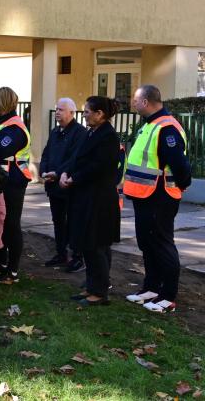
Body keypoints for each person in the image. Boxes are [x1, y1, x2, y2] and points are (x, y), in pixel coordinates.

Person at [124, 85, 192, 313]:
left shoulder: (167, 127)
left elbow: (180, 165)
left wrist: (181, 185)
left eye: (135, 99)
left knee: (162, 243)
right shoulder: (150, 125)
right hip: (144, 195)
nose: (132, 103)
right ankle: (151, 288)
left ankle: (168, 296)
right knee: (147, 242)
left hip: (160, 196)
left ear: (145, 102)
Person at [60, 96, 121, 307]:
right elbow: (77, 158)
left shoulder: (109, 137)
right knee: (87, 244)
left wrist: (75, 178)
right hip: (84, 196)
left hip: (99, 199)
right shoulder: (91, 132)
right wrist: (66, 172)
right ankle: (91, 286)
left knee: (97, 245)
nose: (84, 114)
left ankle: (100, 291)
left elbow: (99, 166)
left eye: (87, 111)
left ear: (99, 114)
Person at [0, 87, 31, 285]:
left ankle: (12, 271)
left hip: (13, 181)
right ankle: (1, 263)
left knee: (12, 225)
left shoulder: (15, 128)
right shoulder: (0, 123)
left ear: (2, 102)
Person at [40, 98, 86, 272]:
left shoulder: (79, 133)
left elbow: (73, 159)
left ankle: (77, 256)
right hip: (53, 185)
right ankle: (61, 253)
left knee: (73, 221)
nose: (57, 112)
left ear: (72, 113)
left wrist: (58, 173)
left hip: (68, 185)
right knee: (58, 220)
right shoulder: (55, 132)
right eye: (56, 109)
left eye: (61, 109)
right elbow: (46, 154)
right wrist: (43, 171)